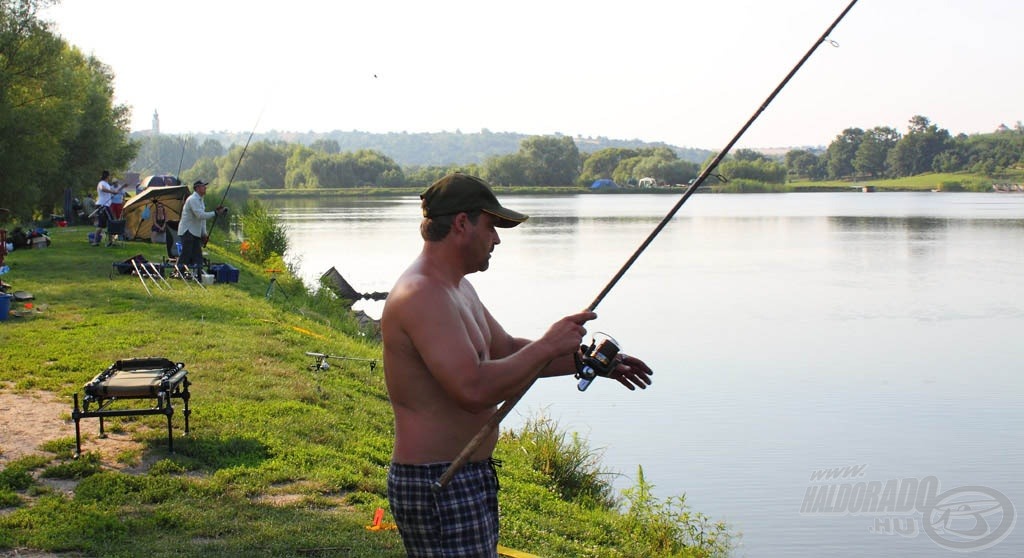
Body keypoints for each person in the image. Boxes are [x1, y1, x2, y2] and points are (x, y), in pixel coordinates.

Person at [381, 173, 653, 557]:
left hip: (466, 475)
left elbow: (506, 349)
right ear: (462, 223)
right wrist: (546, 345)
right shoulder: (421, 294)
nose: (496, 239)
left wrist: (585, 359)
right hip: (439, 480)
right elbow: (472, 389)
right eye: (491, 226)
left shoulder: (455, 287)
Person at [176, 180, 226, 271]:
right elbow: (200, 215)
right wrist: (215, 213)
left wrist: (204, 233)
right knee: (186, 254)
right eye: (203, 186)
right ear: (197, 188)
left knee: (198, 255)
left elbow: (202, 219)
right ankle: (178, 273)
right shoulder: (193, 199)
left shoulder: (200, 200)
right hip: (187, 231)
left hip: (194, 232)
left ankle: (199, 274)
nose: (205, 188)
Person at [92, 170, 117, 246]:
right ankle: (106, 241)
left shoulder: (107, 184)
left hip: (105, 205)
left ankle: (98, 241)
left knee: (103, 224)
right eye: (109, 176)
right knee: (110, 222)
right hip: (103, 205)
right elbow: (102, 189)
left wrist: (114, 191)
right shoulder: (101, 183)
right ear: (107, 176)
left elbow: (110, 191)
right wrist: (112, 192)